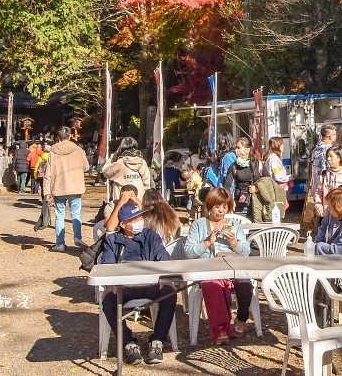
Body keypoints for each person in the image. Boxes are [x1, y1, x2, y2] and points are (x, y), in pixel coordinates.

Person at [98, 199, 174, 366]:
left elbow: (164, 258)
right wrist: (112, 285)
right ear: (124, 224)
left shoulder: (151, 236)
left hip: (151, 285)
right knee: (108, 300)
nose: (139, 221)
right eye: (134, 220)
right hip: (124, 287)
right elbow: (108, 266)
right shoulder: (112, 241)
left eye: (140, 217)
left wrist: (164, 277)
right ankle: (128, 343)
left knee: (170, 293)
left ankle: (157, 341)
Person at [183, 187, 253, 345]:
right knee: (211, 285)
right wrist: (207, 242)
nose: (221, 211)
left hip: (232, 266)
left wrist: (233, 243)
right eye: (217, 206)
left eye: (225, 207)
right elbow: (189, 252)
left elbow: (246, 252)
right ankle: (221, 328)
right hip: (209, 269)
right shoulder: (199, 225)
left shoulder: (233, 224)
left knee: (245, 285)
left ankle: (241, 318)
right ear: (209, 206)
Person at [42, 126, 91, 253]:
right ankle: (78, 237)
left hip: (59, 187)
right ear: (70, 136)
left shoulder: (52, 152)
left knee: (60, 215)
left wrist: (46, 192)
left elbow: (47, 174)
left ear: (58, 137)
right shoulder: (78, 150)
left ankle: (60, 243)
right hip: (75, 187)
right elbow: (86, 167)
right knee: (76, 213)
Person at [313, 145, 342, 219]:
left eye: (331, 156)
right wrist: (318, 205)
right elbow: (318, 192)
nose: (328, 159)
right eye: (327, 156)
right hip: (326, 216)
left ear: (339, 157)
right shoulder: (324, 174)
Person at [223, 137, 259, 217]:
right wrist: (230, 201)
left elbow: (266, 181)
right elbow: (227, 186)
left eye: (239, 147)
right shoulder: (234, 166)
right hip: (240, 205)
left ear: (247, 150)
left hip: (257, 203)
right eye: (236, 147)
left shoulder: (257, 164)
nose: (236, 150)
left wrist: (257, 188)